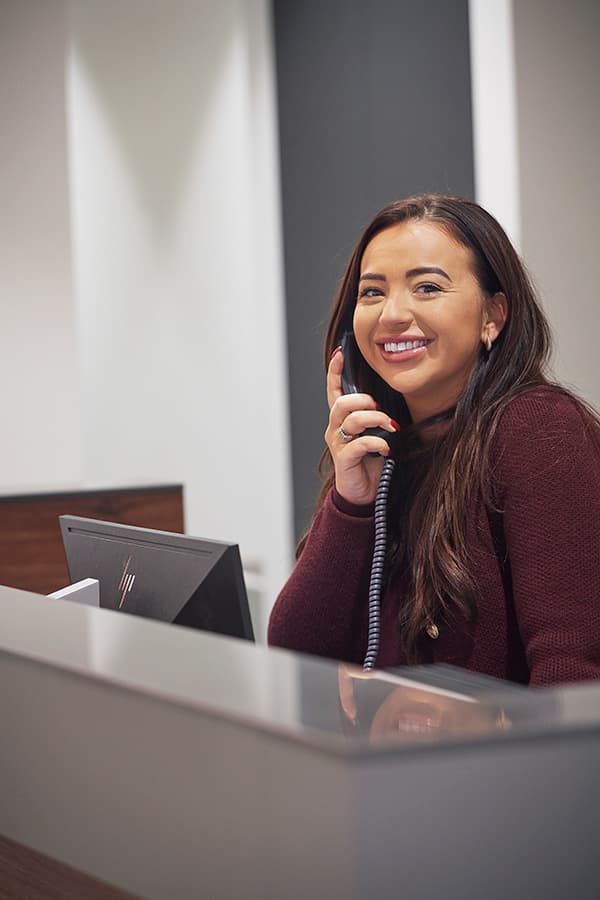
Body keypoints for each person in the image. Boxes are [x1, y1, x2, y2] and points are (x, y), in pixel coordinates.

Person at [268, 194, 600, 687]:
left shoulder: (537, 427)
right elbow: (296, 655)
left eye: (427, 287)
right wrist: (352, 503)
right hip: (393, 761)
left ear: (494, 315)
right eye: (372, 292)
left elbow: (572, 673)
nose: (392, 315)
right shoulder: (387, 447)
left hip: (495, 763)